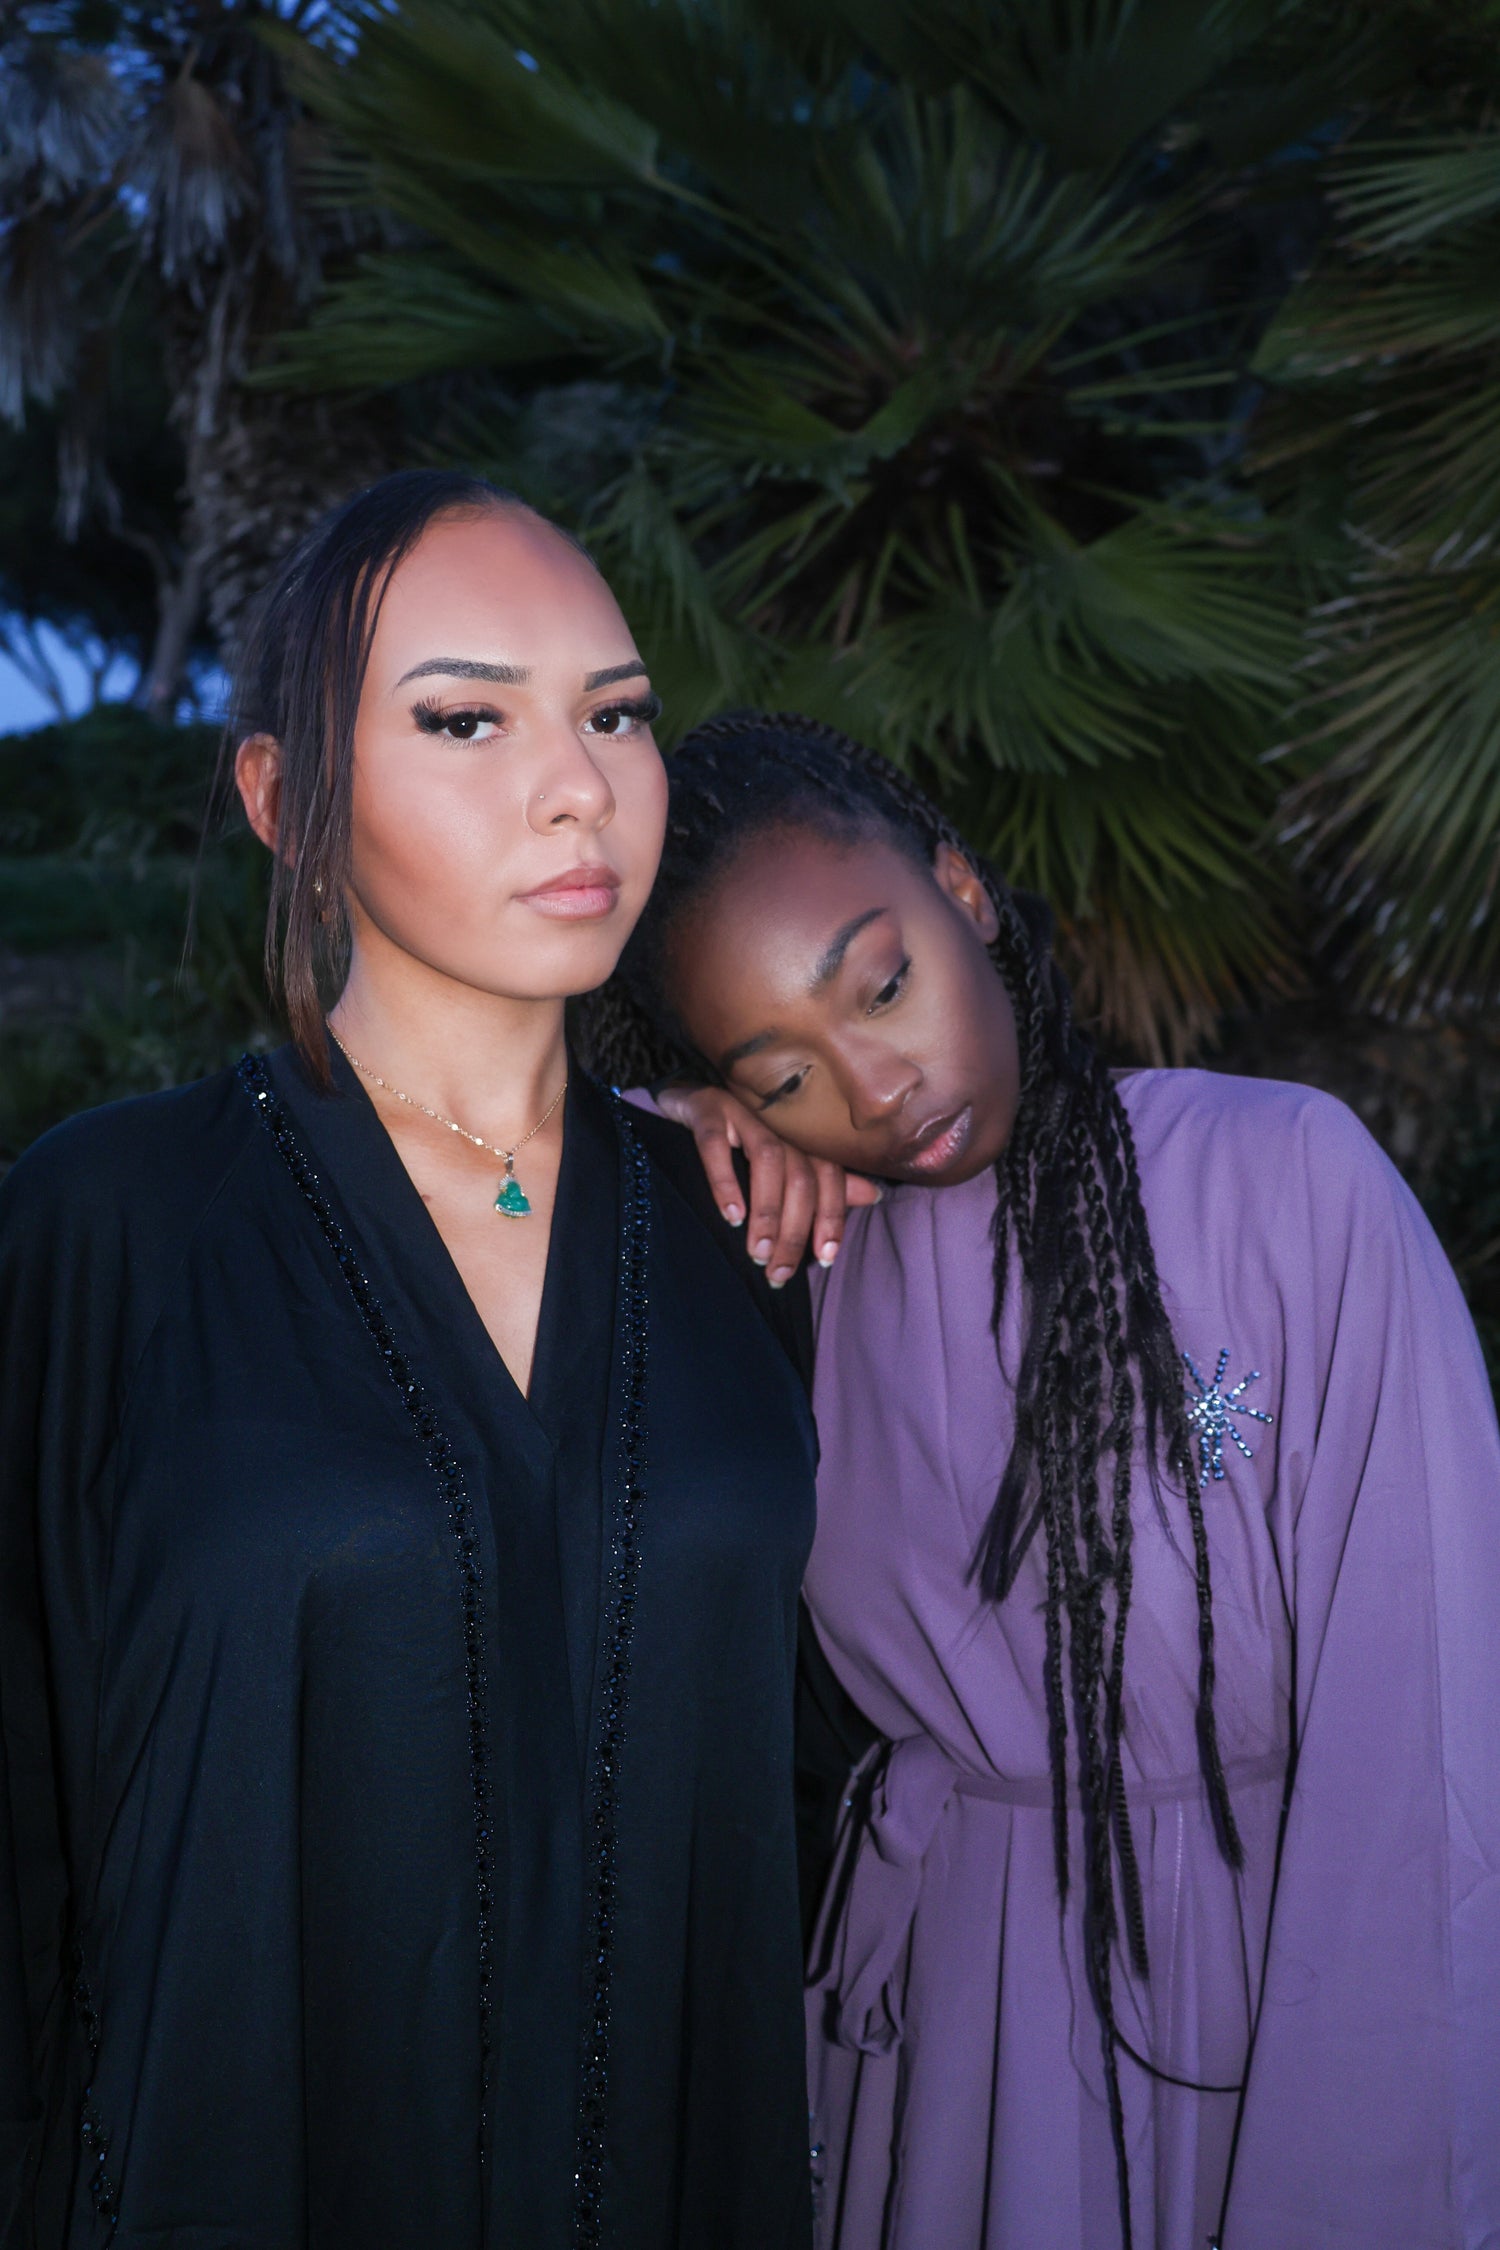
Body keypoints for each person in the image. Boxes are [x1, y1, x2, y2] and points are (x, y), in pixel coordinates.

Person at [0, 480, 819, 2250]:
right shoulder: (105, 1226)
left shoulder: (747, 1227)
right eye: (466, 719)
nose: (579, 785)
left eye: (617, 713)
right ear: (283, 798)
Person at [581, 712, 1500, 2250]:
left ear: (961, 888)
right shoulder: (791, 1269)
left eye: (883, 984)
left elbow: (1433, 1736)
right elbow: (449, 1200)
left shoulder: (1291, 1176)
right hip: (943, 2038)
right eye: (784, 1070)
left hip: (1272, 1993)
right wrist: (658, 1141)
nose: (876, 1083)